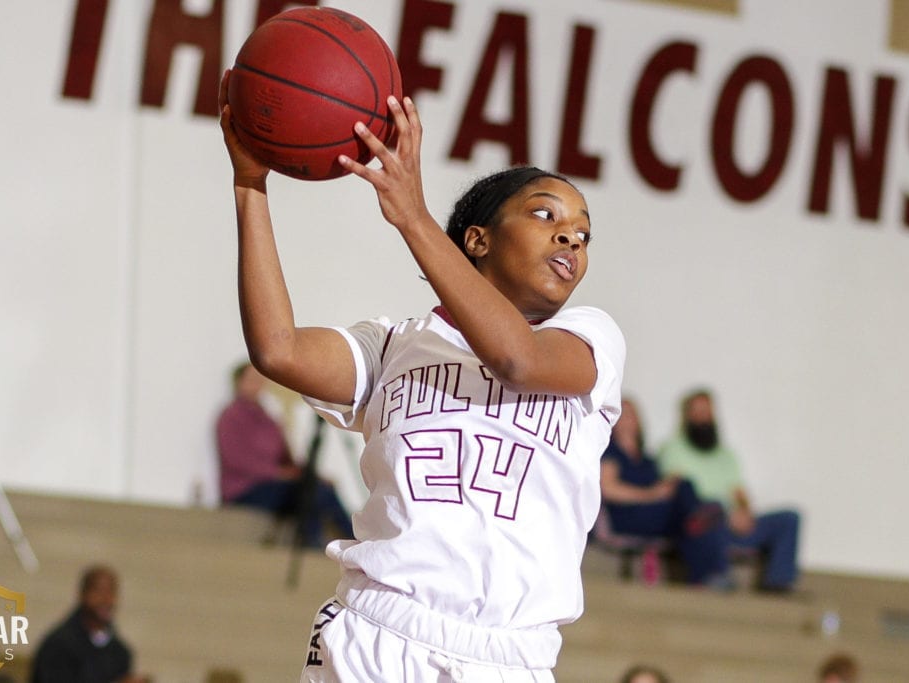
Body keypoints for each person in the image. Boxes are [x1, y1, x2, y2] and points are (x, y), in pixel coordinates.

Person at [219, 69, 625, 681]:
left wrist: (412, 217)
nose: (571, 233)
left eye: (583, 231)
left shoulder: (591, 341)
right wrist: (250, 184)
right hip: (381, 635)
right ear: (478, 239)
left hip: (512, 655)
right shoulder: (391, 347)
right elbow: (277, 350)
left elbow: (519, 361)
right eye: (544, 214)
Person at [658, 388, 801, 592]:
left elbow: (739, 492)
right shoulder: (673, 448)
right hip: (703, 523)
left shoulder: (727, 456)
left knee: (789, 518)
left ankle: (779, 582)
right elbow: (678, 490)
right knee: (714, 510)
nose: (703, 418)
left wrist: (745, 512)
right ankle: (717, 576)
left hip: (732, 521)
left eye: (707, 412)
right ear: (687, 416)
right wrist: (724, 513)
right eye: (697, 412)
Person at [215, 360, 353, 547]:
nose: (258, 385)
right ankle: (332, 543)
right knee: (311, 492)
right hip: (247, 490)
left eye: (260, 380)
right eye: (252, 380)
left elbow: (286, 459)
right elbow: (237, 461)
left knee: (318, 488)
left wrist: (308, 474)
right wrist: (280, 474)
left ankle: (346, 541)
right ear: (238, 382)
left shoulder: (269, 419)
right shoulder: (230, 417)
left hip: (277, 485)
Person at [599, 397, 731, 588]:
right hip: (628, 516)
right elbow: (608, 489)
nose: (628, 419)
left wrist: (666, 488)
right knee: (695, 502)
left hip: (654, 516)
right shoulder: (611, 453)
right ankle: (700, 526)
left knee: (694, 500)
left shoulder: (647, 459)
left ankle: (709, 574)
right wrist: (652, 494)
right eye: (623, 414)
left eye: (632, 414)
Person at [29, 564, 150, 683]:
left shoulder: (120, 653)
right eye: (98, 590)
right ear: (82, 594)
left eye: (111, 591)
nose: (106, 598)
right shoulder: (58, 645)